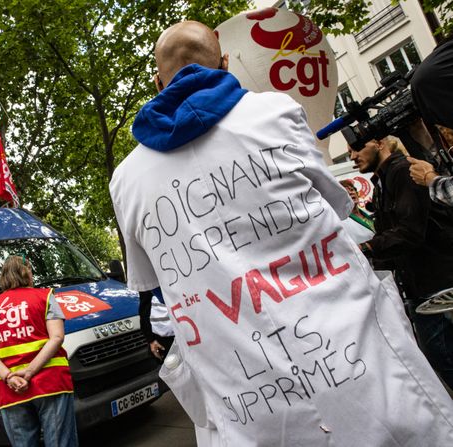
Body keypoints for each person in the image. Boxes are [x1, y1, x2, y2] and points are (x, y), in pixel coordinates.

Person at [109, 20, 453, 446]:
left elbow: (150, 282)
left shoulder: (126, 181)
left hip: (252, 409)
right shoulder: (275, 111)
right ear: (228, 63)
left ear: (157, 80)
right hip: (359, 372)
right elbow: (338, 205)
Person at [349, 136, 453, 388]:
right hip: (422, 287)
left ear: (379, 142)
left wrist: (368, 247)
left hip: (437, 286)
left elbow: (410, 231)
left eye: (357, 148)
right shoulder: (383, 180)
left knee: (442, 357)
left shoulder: (402, 172)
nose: (352, 156)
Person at [0, 256, 77, 447]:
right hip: (50, 383)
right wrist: (30, 371)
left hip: (10, 390)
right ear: (27, 273)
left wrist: (9, 377)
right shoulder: (46, 296)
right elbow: (57, 337)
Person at [138, 287, 174, 361]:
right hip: (165, 337)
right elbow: (144, 309)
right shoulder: (148, 280)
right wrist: (151, 340)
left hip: (187, 331)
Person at [338, 179, 374, 243]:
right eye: (346, 192)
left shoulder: (368, 214)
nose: (351, 192)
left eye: (352, 190)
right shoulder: (342, 221)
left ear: (357, 193)